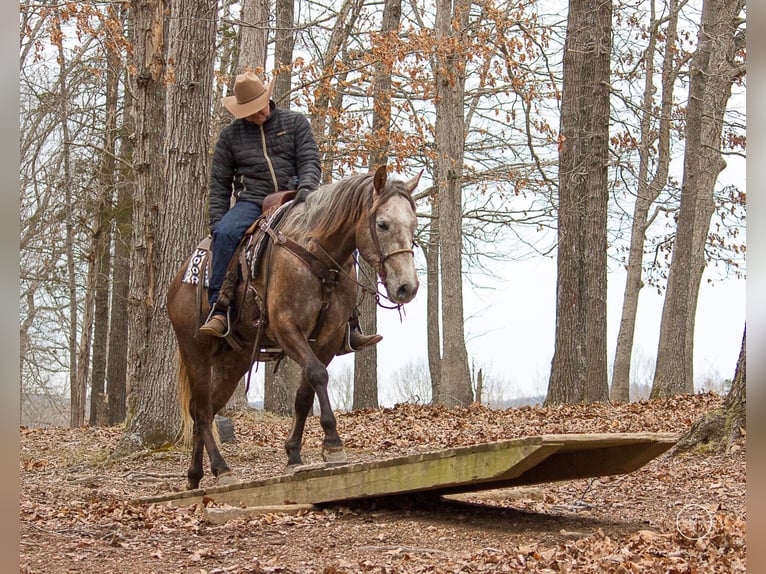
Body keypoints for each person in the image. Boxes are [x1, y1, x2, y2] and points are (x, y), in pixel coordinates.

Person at [199, 71, 381, 353]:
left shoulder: (294, 123)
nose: (255, 114)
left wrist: (307, 190)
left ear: (267, 98)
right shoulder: (230, 137)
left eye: (257, 107)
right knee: (225, 233)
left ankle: (350, 321)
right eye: (248, 111)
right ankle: (219, 308)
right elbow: (220, 183)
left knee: (341, 233)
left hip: (297, 196)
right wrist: (216, 220)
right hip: (252, 202)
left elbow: (309, 159)